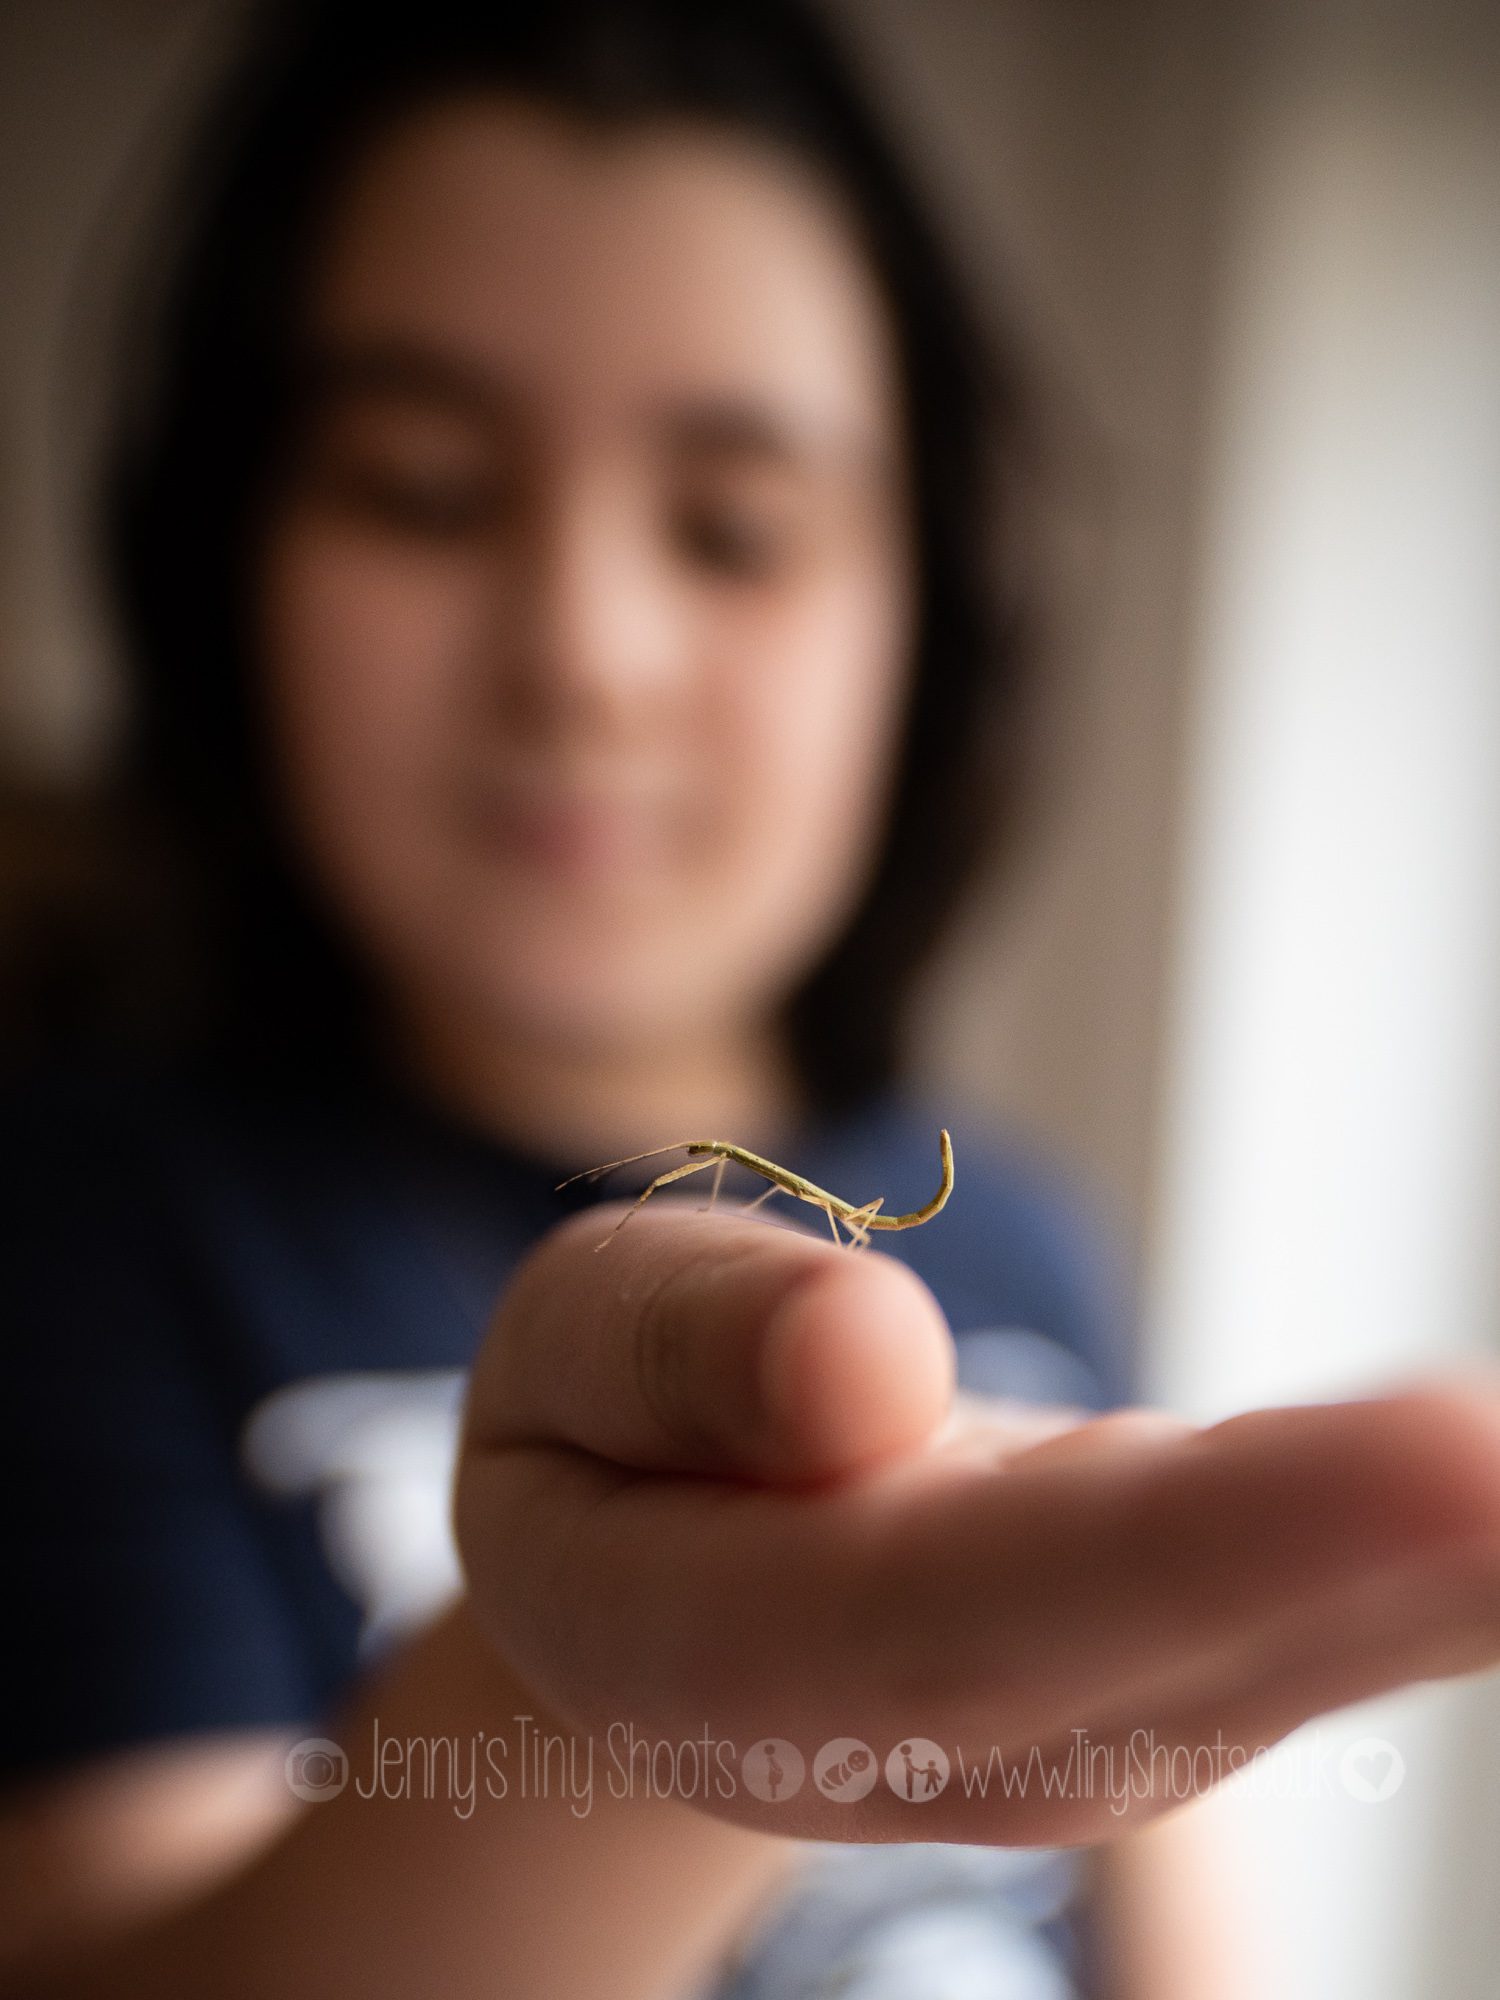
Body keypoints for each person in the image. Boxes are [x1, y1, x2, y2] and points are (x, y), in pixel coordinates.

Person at [7, 3, 1500, 1996]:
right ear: (221, 558)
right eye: (426, 488)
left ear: (924, 624)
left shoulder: (1028, 1231)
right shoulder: (81, 1236)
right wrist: (629, 1701)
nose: (588, 652)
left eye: (733, 530)